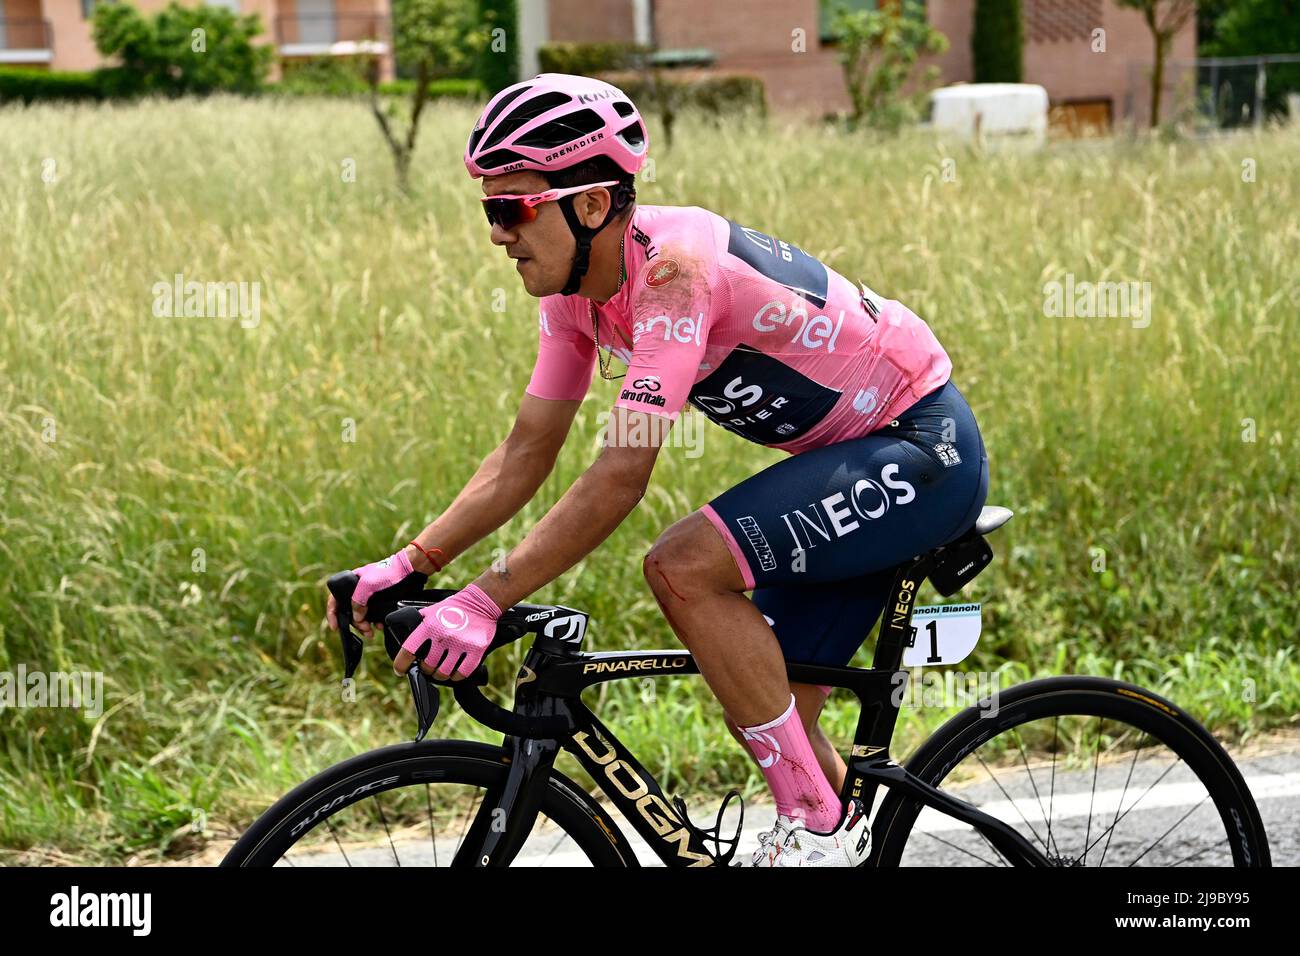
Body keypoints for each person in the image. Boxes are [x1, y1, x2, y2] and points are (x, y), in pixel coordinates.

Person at [326, 73, 989, 867]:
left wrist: (483, 599)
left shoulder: (675, 273)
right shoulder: (575, 294)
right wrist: (410, 563)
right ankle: (837, 837)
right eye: (488, 209)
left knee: (681, 568)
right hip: (841, 464)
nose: (498, 233)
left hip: (921, 450)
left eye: (513, 207)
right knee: (775, 711)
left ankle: (813, 827)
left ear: (594, 204)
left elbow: (619, 476)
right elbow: (525, 451)